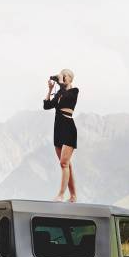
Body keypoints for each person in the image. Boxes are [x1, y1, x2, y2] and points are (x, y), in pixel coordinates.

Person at [43, 69, 79, 202]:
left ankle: (61, 194)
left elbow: (67, 96)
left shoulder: (74, 91)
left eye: (64, 76)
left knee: (64, 163)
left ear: (69, 78)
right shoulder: (59, 93)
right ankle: (73, 196)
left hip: (69, 128)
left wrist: (60, 83)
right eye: (61, 76)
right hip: (58, 129)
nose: (62, 78)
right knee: (66, 164)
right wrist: (50, 90)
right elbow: (47, 106)